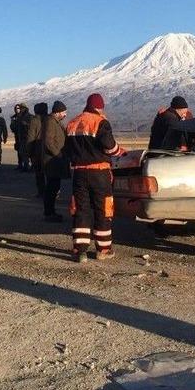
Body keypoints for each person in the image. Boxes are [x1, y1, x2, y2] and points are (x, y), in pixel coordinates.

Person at [65, 93, 126, 263]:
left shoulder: (72, 123)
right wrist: (121, 152)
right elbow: (110, 147)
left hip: (79, 173)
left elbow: (66, 150)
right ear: (99, 107)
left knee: (80, 210)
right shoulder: (100, 122)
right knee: (103, 210)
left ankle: (80, 251)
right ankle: (103, 250)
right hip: (99, 174)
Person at [40, 101, 69, 222]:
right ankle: (49, 213)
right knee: (51, 188)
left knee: (54, 187)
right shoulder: (50, 122)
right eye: (63, 112)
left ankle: (51, 211)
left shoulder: (55, 122)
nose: (65, 114)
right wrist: (58, 154)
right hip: (52, 161)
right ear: (57, 112)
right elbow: (48, 142)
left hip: (55, 161)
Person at [26, 102, 49, 198]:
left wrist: (29, 153)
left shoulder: (34, 121)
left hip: (37, 150)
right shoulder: (50, 119)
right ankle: (53, 192)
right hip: (49, 150)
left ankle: (42, 192)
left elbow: (30, 138)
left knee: (39, 173)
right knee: (50, 173)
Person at [10, 103, 31, 171]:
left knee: (26, 152)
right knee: (20, 151)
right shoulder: (16, 117)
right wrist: (12, 122)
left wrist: (25, 124)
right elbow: (13, 129)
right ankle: (21, 165)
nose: (19, 110)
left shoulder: (28, 116)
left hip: (26, 137)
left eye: (20, 108)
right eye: (17, 109)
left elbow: (32, 127)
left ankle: (26, 166)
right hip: (19, 137)